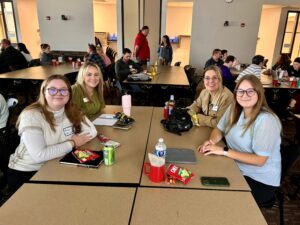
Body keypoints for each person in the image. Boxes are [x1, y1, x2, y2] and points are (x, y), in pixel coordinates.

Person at [7, 74, 97, 195]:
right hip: (27, 172)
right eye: (52, 89)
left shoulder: (70, 110)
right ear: (44, 92)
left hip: (55, 163)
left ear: (69, 94)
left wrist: (75, 137)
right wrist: (73, 142)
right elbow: (39, 155)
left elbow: (92, 132)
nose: (58, 93)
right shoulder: (32, 115)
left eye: (64, 90)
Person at [198, 74, 281, 204]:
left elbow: (260, 160)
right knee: (203, 179)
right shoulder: (234, 108)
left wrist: (224, 151)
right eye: (240, 91)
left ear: (259, 93)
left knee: (215, 197)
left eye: (250, 91)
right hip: (236, 167)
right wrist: (211, 142)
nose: (244, 95)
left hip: (258, 180)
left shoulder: (266, 120)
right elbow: (219, 129)